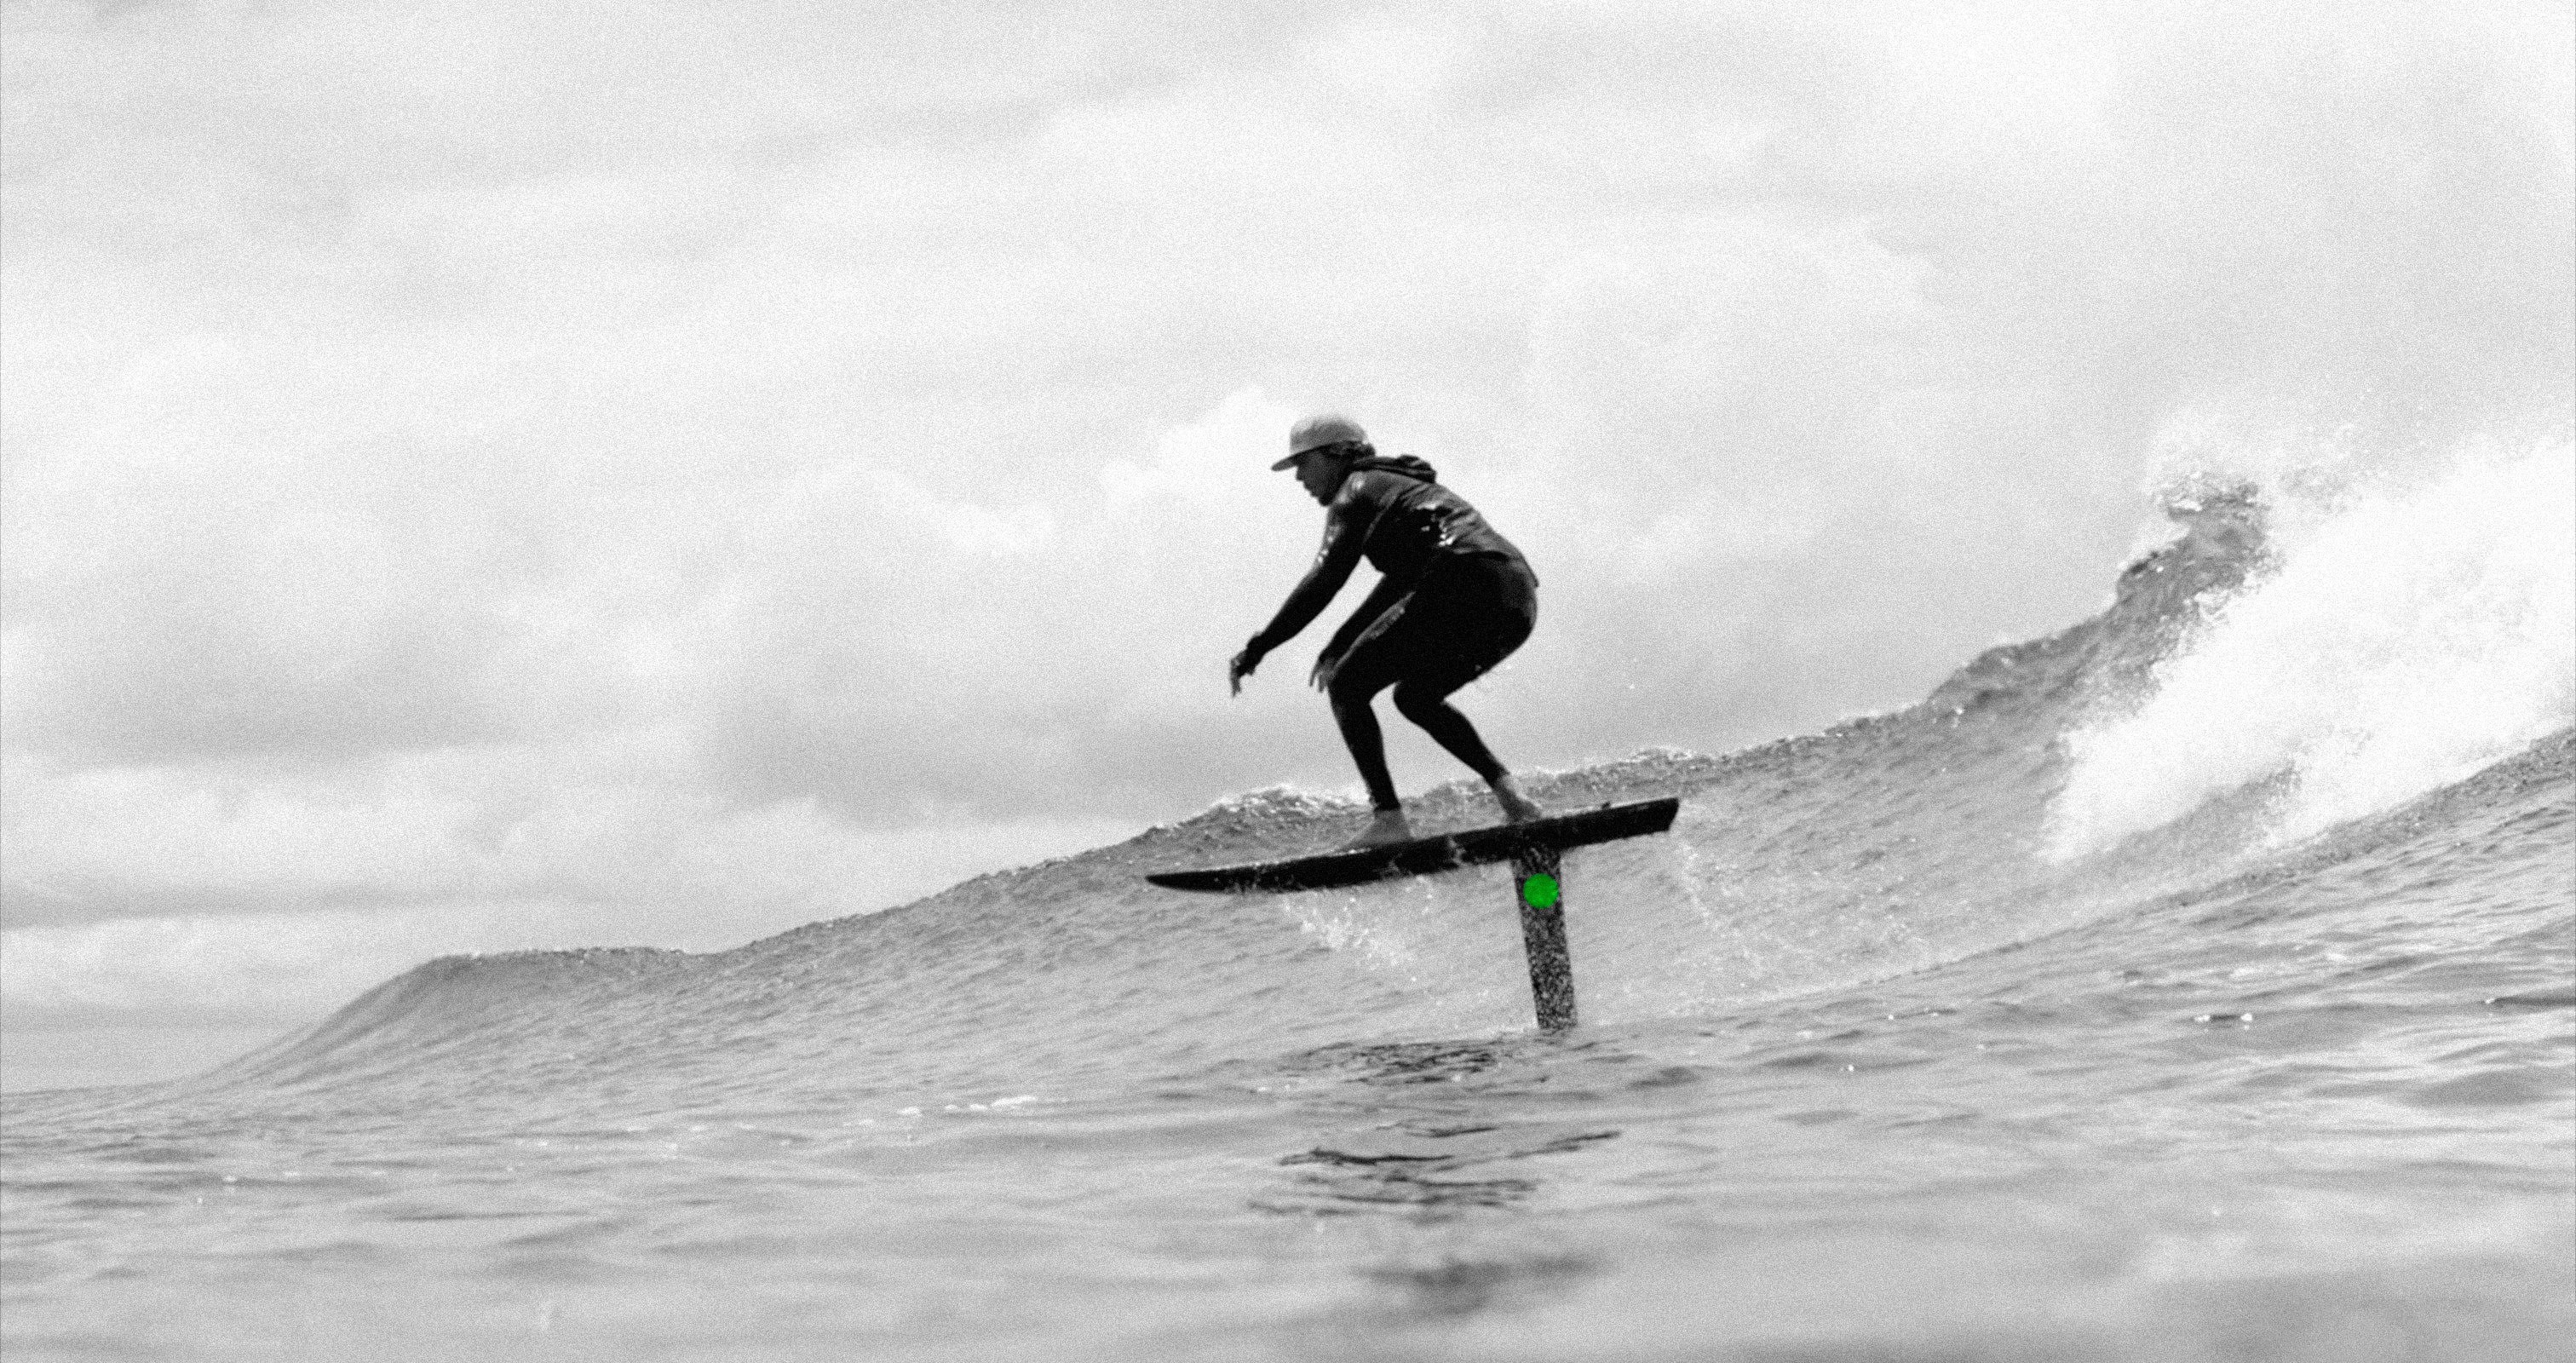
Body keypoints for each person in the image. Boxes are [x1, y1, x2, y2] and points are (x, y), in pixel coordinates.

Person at [1228, 414, 1545, 847]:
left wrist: (1260, 646)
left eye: (1303, 464)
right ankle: (1514, 797)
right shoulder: (1397, 489)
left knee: (1347, 685)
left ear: (1336, 455)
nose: (1299, 478)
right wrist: (1341, 641)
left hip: (1460, 578)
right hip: (1514, 595)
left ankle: (1389, 819)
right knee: (1415, 696)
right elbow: (1400, 583)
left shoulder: (1354, 490)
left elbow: (1325, 578)